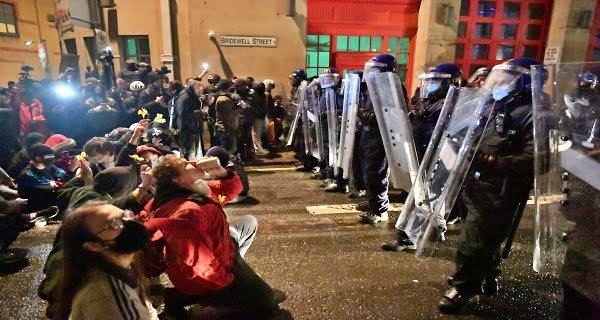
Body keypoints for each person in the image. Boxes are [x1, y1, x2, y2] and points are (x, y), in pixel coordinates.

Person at [438, 58, 541, 314]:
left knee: (472, 241)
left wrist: (493, 161)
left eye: (506, 80)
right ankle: (487, 276)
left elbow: (538, 158)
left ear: (525, 84)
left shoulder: (537, 114)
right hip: (474, 182)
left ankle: (463, 287)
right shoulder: (495, 105)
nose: (497, 84)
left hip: (500, 190)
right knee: (486, 239)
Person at [139, 155, 280, 318]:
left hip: (221, 250)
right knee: (266, 305)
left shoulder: (195, 189)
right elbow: (197, 264)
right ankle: (198, 305)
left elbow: (232, 190)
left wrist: (221, 173)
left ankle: (235, 282)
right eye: (186, 165)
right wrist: (227, 283)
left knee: (247, 223)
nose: (193, 163)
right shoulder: (187, 212)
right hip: (202, 276)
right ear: (177, 179)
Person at [381, 63, 464, 251]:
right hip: (419, 154)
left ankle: (409, 238)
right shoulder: (426, 102)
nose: (431, 85)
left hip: (435, 157)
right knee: (428, 197)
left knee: (420, 198)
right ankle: (436, 229)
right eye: (429, 81)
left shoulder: (450, 105)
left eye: (435, 81)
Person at [57, 202, 153, 320]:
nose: (130, 222)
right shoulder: (110, 300)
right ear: (93, 245)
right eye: (115, 224)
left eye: (126, 214)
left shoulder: (111, 266)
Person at [355, 54, 399, 224]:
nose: (370, 73)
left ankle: (380, 210)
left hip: (379, 138)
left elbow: (392, 115)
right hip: (367, 135)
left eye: (374, 69)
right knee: (367, 173)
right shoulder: (371, 89)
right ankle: (373, 202)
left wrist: (370, 116)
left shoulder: (391, 88)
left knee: (376, 173)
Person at [17, 143, 79, 211]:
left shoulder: (48, 167)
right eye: (49, 156)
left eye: (52, 155)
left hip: (51, 202)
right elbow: (55, 186)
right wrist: (71, 171)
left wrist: (73, 170)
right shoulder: (28, 174)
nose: (52, 157)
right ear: (38, 158)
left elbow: (63, 175)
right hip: (37, 208)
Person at [175, 80, 204, 160]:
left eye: (201, 90)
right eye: (198, 90)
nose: (200, 92)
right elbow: (182, 114)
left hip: (193, 127)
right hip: (187, 129)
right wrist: (198, 112)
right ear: (193, 88)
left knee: (193, 150)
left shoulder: (192, 96)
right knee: (188, 151)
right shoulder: (186, 98)